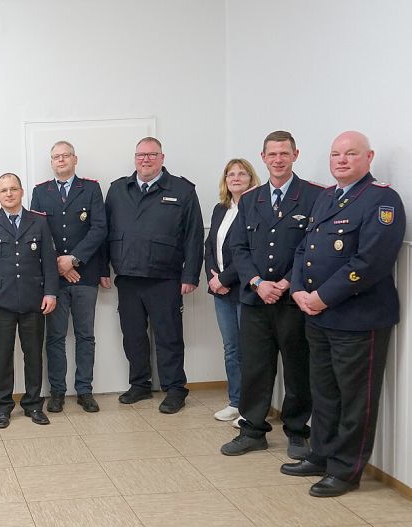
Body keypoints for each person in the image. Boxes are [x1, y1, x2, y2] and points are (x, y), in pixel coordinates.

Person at [281, 131, 405, 497]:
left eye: (350, 154)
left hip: (357, 317)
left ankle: (346, 470)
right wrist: (300, 288)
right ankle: (321, 454)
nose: (341, 160)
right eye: (336, 154)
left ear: (368, 157)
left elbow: (370, 261)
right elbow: (304, 247)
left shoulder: (382, 200)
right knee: (324, 392)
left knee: (355, 398)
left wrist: (322, 296)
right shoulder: (326, 197)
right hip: (317, 314)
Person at [221, 131, 324, 459]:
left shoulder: (314, 196)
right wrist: (255, 281)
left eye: (284, 153)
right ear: (263, 158)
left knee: (297, 369)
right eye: (272, 154)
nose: (278, 160)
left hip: (293, 301)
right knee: (255, 367)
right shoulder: (251, 199)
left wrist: (288, 282)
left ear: (296, 154)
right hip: (255, 300)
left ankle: (296, 431)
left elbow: (313, 247)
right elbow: (238, 246)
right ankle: (252, 430)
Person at [103, 137, 204, 414]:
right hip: (128, 277)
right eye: (140, 155)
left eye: (151, 155)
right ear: (134, 158)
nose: (145, 160)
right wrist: (103, 270)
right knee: (133, 335)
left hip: (165, 277)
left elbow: (194, 236)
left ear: (162, 157)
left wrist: (191, 275)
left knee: (168, 336)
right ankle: (140, 385)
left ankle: (174, 389)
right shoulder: (117, 189)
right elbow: (104, 232)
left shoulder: (182, 190)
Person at [0, 173, 58, 429]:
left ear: (21, 192)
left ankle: (33, 404)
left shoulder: (39, 222)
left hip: (34, 300)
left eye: (13, 189)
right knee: (1, 356)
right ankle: (3, 406)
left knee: (33, 355)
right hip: (1, 303)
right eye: (3, 190)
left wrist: (51, 292)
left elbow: (49, 262)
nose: (8, 194)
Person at [30, 141, 107, 413]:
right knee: (55, 337)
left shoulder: (91, 188)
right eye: (55, 157)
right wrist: (59, 265)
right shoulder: (41, 192)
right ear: (51, 162)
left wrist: (72, 260)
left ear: (75, 159)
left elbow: (99, 229)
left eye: (65, 156)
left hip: (84, 275)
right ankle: (58, 392)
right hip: (54, 279)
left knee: (86, 336)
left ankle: (85, 390)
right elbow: (37, 232)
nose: (60, 160)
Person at [203, 160, 260, 423]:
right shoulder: (220, 209)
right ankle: (236, 402)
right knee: (231, 349)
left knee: (250, 350)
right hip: (221, 292)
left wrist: (225, 278)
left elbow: (249, 251)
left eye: (242, 173)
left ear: (251, 178)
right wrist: (214, 279)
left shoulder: (256, 208)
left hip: (244, 289)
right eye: (231, 174)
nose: (236, 178)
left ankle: (252, 407)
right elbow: (209, 246)